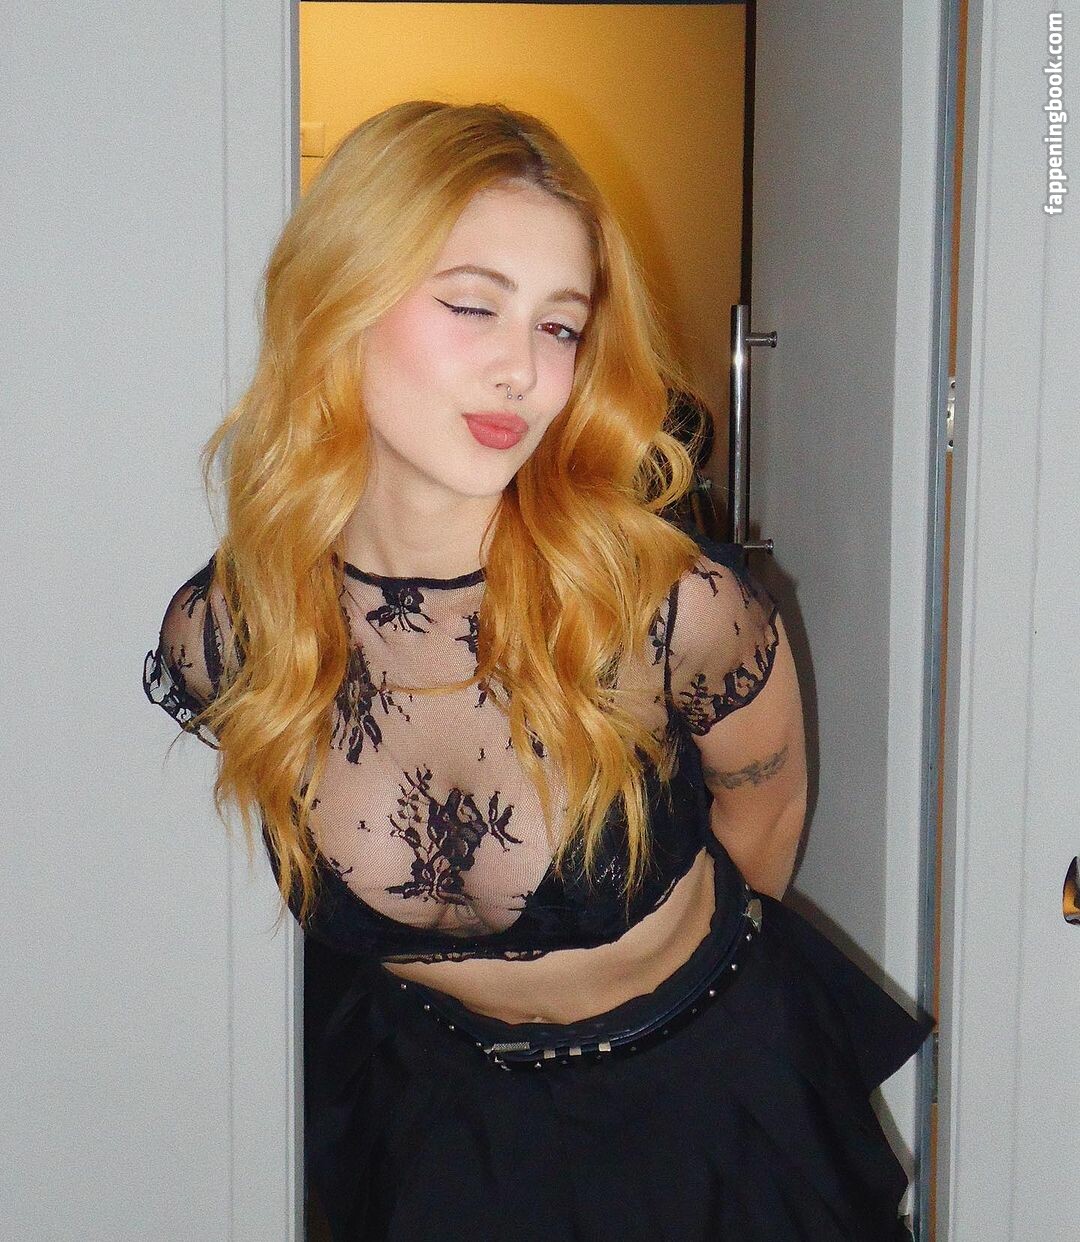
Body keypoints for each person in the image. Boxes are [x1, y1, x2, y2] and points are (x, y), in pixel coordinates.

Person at [142, 99, 935, 1241]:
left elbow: (766, 814)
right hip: (435, 1121)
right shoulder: (237, 632)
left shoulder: (666, 611)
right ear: (336, 303)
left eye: (560, 326)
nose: (522, 369)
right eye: (473, 305)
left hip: (709, 1106)